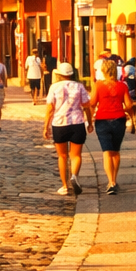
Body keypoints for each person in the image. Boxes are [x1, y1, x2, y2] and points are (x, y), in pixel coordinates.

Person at [43, 62, 92, 196]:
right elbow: (87, 105)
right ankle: (74, 176)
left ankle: (64, 186)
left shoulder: (54, 87)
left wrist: (45, 127)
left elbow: (50, 109)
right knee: (76, 155)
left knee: (62, 156)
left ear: (59, 74)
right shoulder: (79, 86)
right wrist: (90, 122)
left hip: (59, 124)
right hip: (77, 123)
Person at [90, 59, 135, 194]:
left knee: (106, 152)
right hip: (118, 120)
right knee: (115, 152)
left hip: (102, 120)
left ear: (103, 71)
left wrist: (89, 116)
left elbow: (92, 102)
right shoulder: (122, 86)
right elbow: (128, 105)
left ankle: (111, 183)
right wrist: (131, 116)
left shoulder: (98, 85)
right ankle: (114, 181)